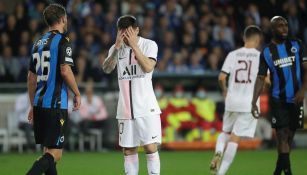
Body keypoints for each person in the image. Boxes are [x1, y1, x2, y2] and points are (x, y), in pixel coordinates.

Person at [102, 15, 161, 175]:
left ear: (137, 30)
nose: (126, 36)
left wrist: (135, 47)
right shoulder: (116, 48)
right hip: (125, 109)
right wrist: (116, 47)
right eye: (122, 32)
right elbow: (107, 68)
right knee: (128, 150)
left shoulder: (149, 45)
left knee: (149, 146)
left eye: (129, 32)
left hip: (146, 107)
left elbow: (149, 67)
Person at [26, 4, 81, 175]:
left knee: (48, 151)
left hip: (39, 104)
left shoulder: (37, 43)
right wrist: (77, 93)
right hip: (55, 104)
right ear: (62, 19)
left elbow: (31, 78)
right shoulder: (63, 41)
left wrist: (32, 105)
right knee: (55, 154)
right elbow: (65, 70)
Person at [252, 16, 307, 175]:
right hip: (278, 100)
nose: (284, 28)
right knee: (282, 135)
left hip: (297, 99)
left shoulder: (297, 44)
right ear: (273, 29)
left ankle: (277, 171)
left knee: (289, 137)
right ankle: (289, 172)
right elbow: (260, 78)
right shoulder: (267, 52)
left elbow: (306, 69)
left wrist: (303, 90)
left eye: (286, 25)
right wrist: (253, 101)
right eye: (280, 26)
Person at [210, 25, 262, 175]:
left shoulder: (233, 54)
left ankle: (218, 151)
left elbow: (221, 77)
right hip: (249, 103)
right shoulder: (261, 56)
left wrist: (225, 90)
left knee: (225, 132)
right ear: (258, 40)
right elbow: (267, 81)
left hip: (232, 100)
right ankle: (221, 173)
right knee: (235, 138)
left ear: (244, 38)